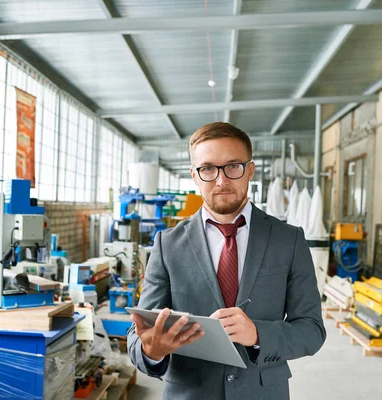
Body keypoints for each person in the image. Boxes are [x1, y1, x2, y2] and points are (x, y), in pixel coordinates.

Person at [127, 122, 326, 400]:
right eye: (208, 168)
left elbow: (311, 330)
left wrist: (258, 334)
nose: (221, 181)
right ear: (194, 176)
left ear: (250, 171)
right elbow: (139, 334)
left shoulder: (288, 240)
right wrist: (151, 349)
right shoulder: (167, 244)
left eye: (233, 166)